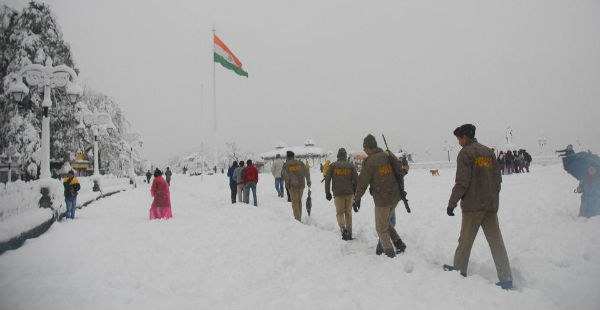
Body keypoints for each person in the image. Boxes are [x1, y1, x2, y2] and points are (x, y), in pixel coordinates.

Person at [443, 124, 513, 290]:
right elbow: (498, 180)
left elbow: (462, 182)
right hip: (490, 205)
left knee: (465, 240)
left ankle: (459, 269)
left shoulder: (466, 153)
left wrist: (451, 203)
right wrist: (493, 200)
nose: (458, 142)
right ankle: (506, 277)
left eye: (459, 138)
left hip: (473, 206)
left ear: (465, 137)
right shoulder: (488, 152)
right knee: (497, 242)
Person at [354, 134, 407, 258]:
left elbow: (362, 183)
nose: (364, 151)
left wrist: (357, 198)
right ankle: (399, 243)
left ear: (368, 147)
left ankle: (389, 253)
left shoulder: (370, 161)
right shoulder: (388, 155)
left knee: (381, 228)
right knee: (385, 222)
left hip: (382, 199)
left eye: (364, 148)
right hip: (395, 196)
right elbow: (400, 172)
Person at [325, 148, 358, 240]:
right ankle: (350, 233)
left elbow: (327, 180)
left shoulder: (332, 166)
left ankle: (343, 228)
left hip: (338, 194)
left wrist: (327, 193)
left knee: (340, 213)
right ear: (345, 155)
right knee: (348, 213)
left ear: (338, 156)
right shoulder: (351, 166)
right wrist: (356, 193)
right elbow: (357, 180)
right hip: (349, 193)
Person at [282, 151, 311, 222]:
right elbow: (306, 172)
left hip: (292, 186)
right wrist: (308, 181)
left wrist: (287, 182)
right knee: (299, 201)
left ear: (287, 157)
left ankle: (298, 220)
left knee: (294, 202)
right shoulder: (300, 163)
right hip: (301, 185)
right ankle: (299, 217)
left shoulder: (286, 165)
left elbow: (284, 175)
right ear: (293, 156)